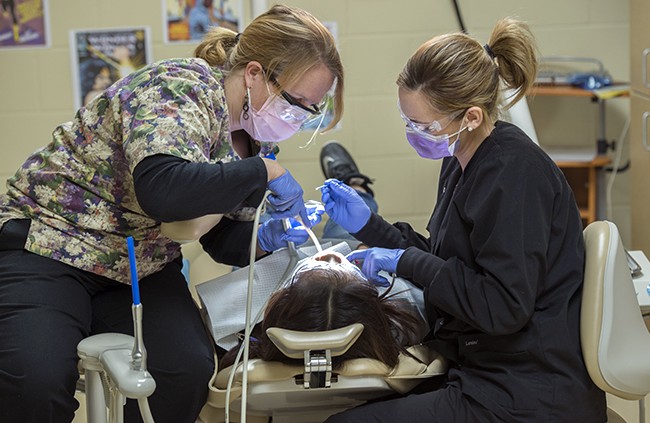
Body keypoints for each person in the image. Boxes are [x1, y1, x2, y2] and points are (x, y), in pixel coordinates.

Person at [0, 4, 343, 423]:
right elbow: (163, 190)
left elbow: (220, 241)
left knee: (185, 370)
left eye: (310, 108)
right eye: (295, 102)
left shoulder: (254, 140)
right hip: (49, 246)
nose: (297, 117)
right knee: (35, 380)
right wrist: (265, 172)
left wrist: (269, 235)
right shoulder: (179, 87)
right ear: (254, 73)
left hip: (137, 266)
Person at [320, 18, 607, 423]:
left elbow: (503, 306)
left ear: (471, 117)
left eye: (423, 125)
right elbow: (449, 260)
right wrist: (369, 226)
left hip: (528, 395)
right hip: (484, 370)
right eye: (407, 121)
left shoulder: (513, 174)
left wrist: (403, 262)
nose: (413, 134)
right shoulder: (462, 160)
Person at [219, 250, 423, 370]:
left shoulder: (245, 335)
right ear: (374, 307)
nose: (332, 256)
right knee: (346, 234)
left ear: (276, 308)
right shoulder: (407, 312)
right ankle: (357, 185)